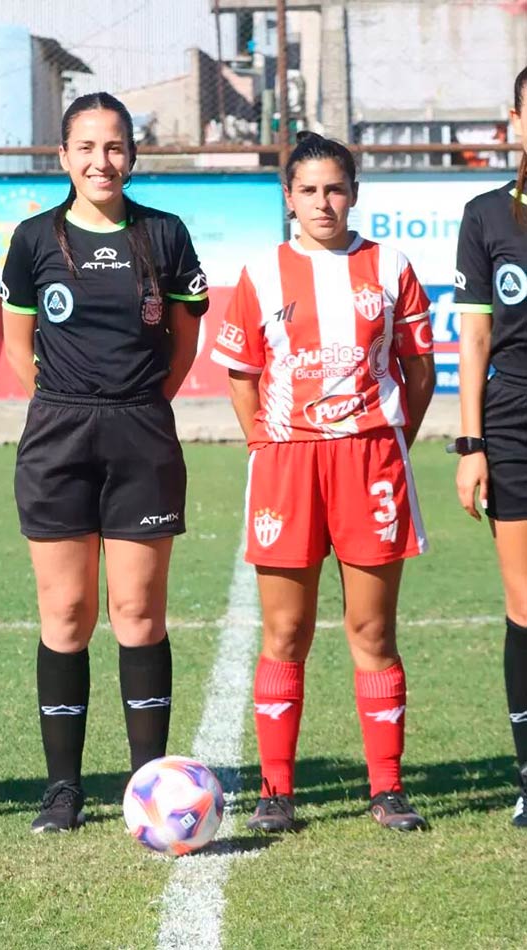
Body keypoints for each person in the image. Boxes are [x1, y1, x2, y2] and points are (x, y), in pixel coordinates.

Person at [211, 132, 435, 833]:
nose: (323, 202)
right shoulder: (261, 272)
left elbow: (417, 372)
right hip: (288, 464)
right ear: (288, 198)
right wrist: (267, 442)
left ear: (355, 193)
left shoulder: (389, 265)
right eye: (308, 190)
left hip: (370, 462)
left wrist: (389, 436)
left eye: (335, 188)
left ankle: (387, 788)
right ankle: (277, 792)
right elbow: (242, 376)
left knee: (372, 627)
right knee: (286, 629)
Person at [1, 92, 208, 832]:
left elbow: (183, 347)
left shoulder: (165, 234)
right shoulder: (32, 240)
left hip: (141, 434)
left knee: (138, 612)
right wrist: (68, 405)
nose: (101, 161)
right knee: (65, 613)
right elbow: (16, 347)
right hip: (58, 434)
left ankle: (148, 780)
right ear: (63, 157)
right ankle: (64, 788)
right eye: (86, 148)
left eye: (115, 147)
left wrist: (138, 405)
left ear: (133, 154)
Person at [454, 65, 527, 828]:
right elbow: (473, 338)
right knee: (524, 605)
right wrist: (470, 442)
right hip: (514, 422)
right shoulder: (488, 216)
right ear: (516, 120)